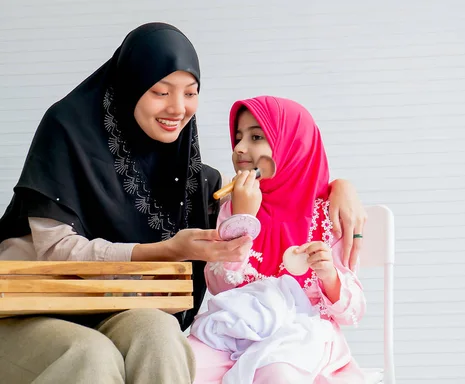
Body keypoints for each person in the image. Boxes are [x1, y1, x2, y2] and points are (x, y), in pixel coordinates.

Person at [0, 23, 366, 384]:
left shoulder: (194, 180)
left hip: (114, 309)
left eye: (190, 93)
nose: (178, 108)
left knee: (162, 336)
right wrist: (164, 250)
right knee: (91, 356)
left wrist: (338, 186)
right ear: (130, 88)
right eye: (160, 91)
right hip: (28, 309)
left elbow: (278, 179)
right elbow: (56, 250)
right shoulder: (67, 132)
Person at [188, 96, 367, 383]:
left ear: (293, 145)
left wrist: (329, 276)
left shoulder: (327, 213)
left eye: (256, 136)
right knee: (183, 365)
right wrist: (243, 220)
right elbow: (218, 286)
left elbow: (353, 311)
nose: (240, 148)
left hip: (303, 336)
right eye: (237, 137)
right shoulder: (234, 207)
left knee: (277, 372)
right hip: (237, 328)